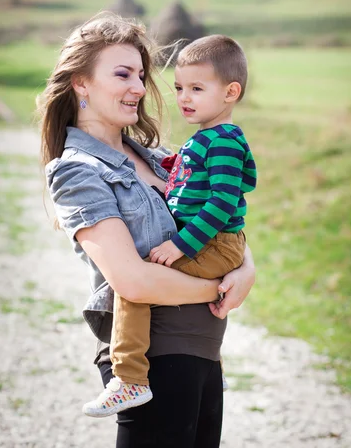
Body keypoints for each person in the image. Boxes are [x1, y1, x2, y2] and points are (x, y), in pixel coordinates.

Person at [39, 12, 256, 448]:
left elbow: (225, 218)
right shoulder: (78, 172)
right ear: (81, 82)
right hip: (154, 358)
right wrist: (222, 287)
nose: (139, 87)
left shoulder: (164, 158)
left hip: (204, 351)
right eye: (122, 74)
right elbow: (132, 280)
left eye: (141, 74)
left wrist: (246, 269)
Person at [85, 34, 257, 418]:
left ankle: (128, 378)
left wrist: (182, 245)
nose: (184, 97)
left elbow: (222, 202)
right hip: (214, 245)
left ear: (231, 92)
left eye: (197, 88)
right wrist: (172, 168)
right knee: (137, 279)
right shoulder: (206, 139)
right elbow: (194, 183)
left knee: (133, 283)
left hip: (210, 244)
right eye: (179, 87)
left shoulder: (224, 141)